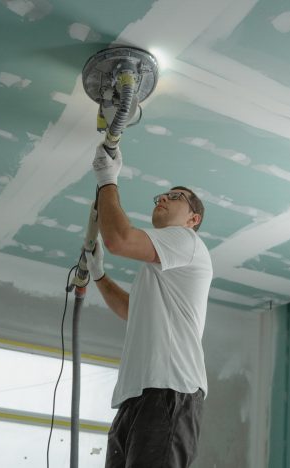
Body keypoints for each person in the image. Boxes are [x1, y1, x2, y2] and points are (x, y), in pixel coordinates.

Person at [85, 144, 213, 468]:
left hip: (170, 391)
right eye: (160, 196)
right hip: (136, 396)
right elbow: (132, 311)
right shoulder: (156, 271)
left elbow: (119, 239)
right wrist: (99, 275)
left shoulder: (188, 243)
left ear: (193, 219)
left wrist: (106, 179)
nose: (163, 198)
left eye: (175, 196)